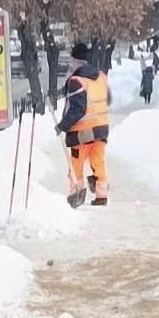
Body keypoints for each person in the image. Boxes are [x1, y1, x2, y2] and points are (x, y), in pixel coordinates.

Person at [57, 42, 111, 207]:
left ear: (76, 61)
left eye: (71, 60)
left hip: (82, 132)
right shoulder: (101, 77)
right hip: (101, 128)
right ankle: (101, 195)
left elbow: (77, 109)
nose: (70, 64)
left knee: (76, 165)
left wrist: (62, 126)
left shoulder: (76, 80)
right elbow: (107, 99)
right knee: (98, 161)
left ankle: (76, 195)